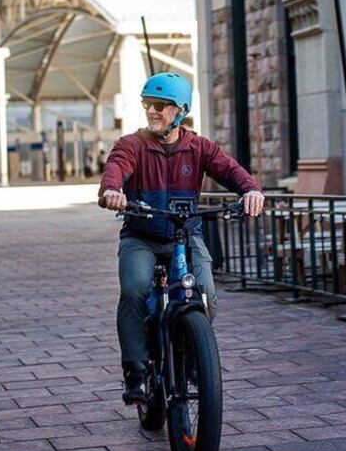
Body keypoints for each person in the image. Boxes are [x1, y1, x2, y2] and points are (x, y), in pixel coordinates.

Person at [98, 72, 265, 403]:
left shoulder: (199, 147)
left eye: (161, 106)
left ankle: (190, 353)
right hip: (141, 236)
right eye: (149, 105)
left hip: (185, 235)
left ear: (181, 110)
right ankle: (137, 371)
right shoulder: (132, 144)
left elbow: (232, 171)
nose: (153, 112)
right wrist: (111, 190)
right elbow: (115, 169)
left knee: (208, 298)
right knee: (134, 291)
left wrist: (251, 190)